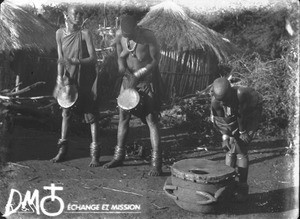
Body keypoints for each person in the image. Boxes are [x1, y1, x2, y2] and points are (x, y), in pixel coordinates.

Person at [103, 15, 163, 176]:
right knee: (123, 117)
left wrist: (139, 74)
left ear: (137, 29)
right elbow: (119, 57)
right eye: (125, 35)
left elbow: (156, 60)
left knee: (151, 120)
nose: (126, 37)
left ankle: (156, 164)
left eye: (130, 35)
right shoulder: (119, 36)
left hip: (145, 82)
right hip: (127, 81)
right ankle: (119, 157)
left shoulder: (148, 36)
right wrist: (124, 71)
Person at [51, 5, 101, 167]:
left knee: (91, 115)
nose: (79, 16)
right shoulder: (59, 34)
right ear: (66, 15)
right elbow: (60, 59)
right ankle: (62, 151)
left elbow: (93, 58)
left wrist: (76, 61)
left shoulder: (85, 33)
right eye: (76, 13)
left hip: (86, 77)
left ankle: (95, 154)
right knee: (66, 112)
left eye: (81, 13)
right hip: (69, 77)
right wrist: (59, 79)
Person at [210, 77, 263, 201]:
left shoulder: (241, 94)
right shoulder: (215, 102)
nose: (222, 104)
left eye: (225, 101)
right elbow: (222, 122)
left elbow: (241, 117)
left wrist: (243, 132)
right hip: (237, 116)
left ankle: (242, 189)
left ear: (230, 93)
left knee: (241, 150)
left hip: (251, 113)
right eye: (220, 101)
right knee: (229, 150)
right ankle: (228, 186)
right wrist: (225, 137)